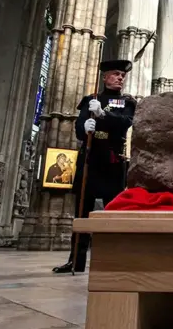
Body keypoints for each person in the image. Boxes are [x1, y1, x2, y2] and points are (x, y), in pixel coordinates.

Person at [52, 59, 136, 274]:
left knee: (113, 213)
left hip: (113, 162)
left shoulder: (127, 102)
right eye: (116, 74)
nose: (120, 78)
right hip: (90, 161)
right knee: (81, 211)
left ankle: (112, 261)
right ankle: (76, 261)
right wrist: (84, 126)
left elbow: (125, 123)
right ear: (105, 76)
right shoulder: (91, 100)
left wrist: (102, 115)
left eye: (122, 75)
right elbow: (79, 129)